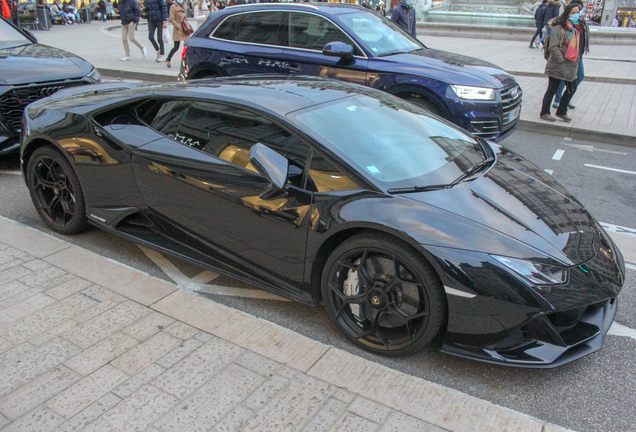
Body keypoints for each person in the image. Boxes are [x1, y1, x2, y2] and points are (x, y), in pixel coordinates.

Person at [539, 2, 582, 123]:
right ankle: (545, 112)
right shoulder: (559, 28)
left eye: (577, 12)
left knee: (572, 88)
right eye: (573, 12)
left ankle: (561, 111)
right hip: (558, 64)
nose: (576, 14)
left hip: (571, 65)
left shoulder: (576, 28)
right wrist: (561, 59)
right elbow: (553, 46)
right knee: (552, 88)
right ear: (567, 13)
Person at [553, 0, 588, 110]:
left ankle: (565, 100)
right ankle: (559, 100)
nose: (578, 13)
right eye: (575, 11)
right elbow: (555, 44)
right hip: (568, 56)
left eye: (579, 11)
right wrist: (560, 58)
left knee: (578, 76)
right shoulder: (565, 25)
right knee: (564, 78)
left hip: (578, 55)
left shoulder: (580, 23)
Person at [166, 0, 189, 68]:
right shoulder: (173, 7)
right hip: (178, 28)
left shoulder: (184, 5)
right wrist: (177, 25)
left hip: (184, 27)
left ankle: (185, 61)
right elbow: (171, 19)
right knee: (176, 47)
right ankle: (168, 59)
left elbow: (185, 17)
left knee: (187, 45)